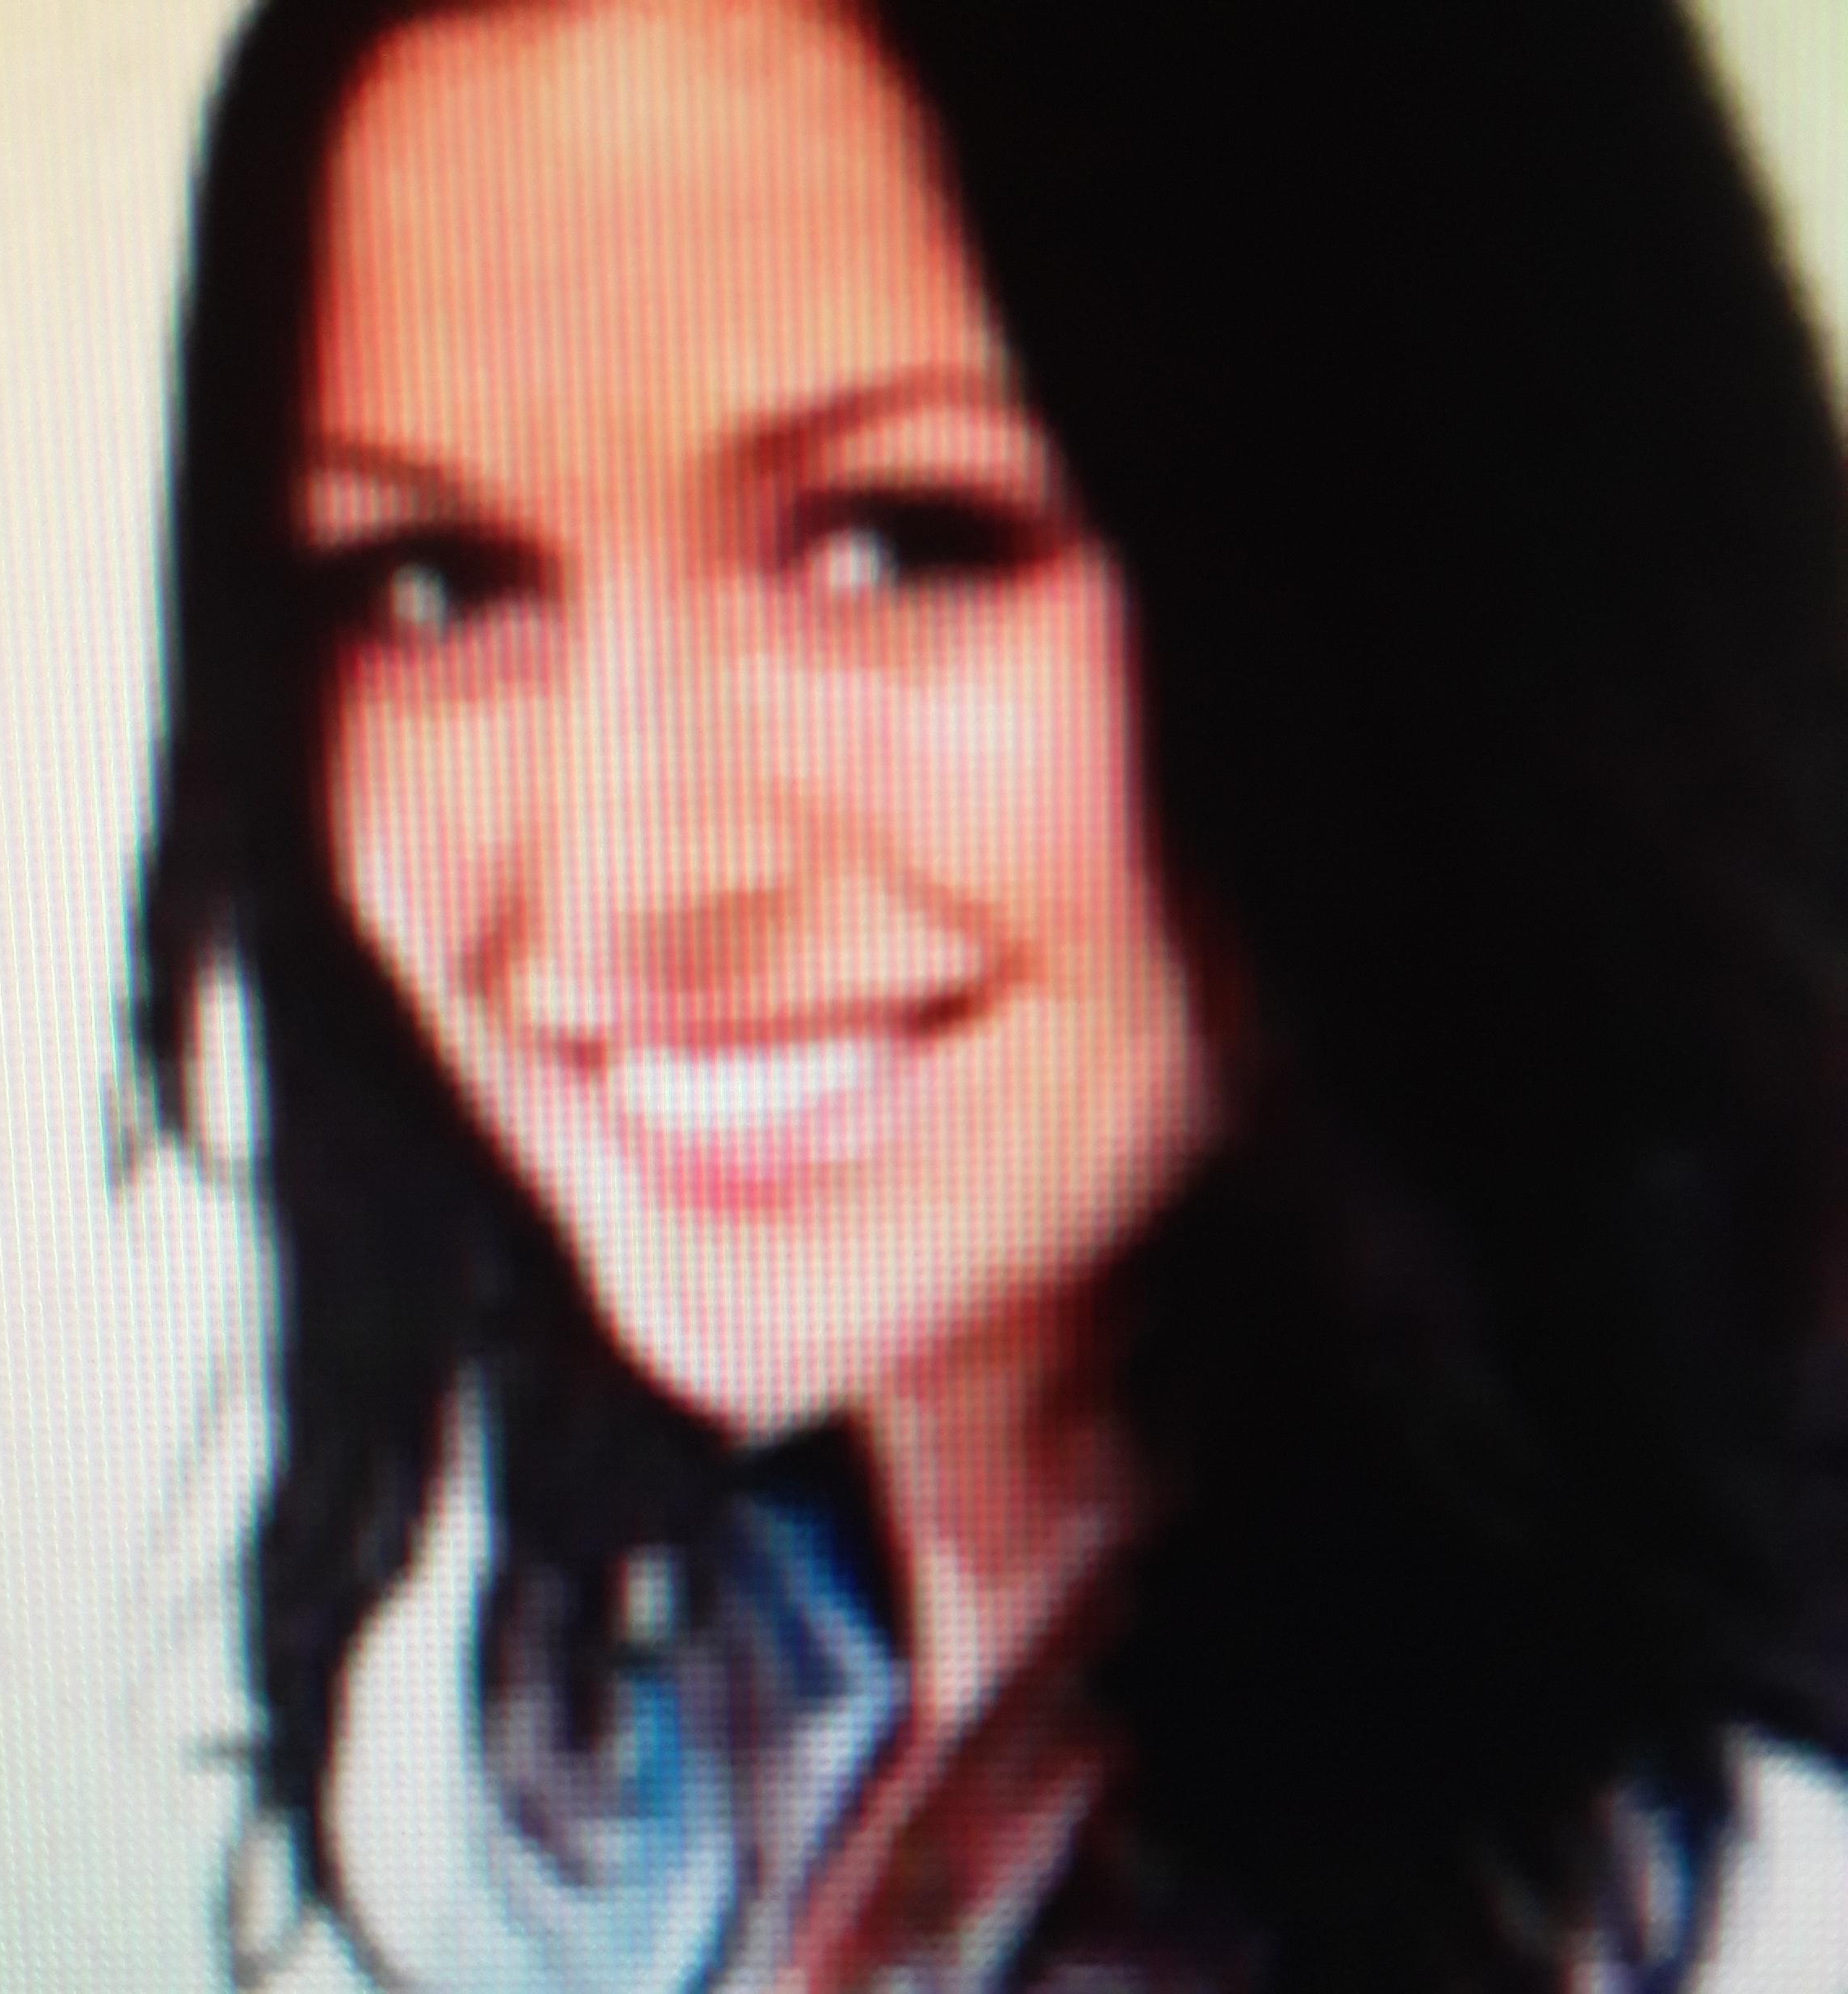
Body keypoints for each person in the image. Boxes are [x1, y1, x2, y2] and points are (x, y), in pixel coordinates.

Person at [132, 0, 1848, 1986]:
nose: (631, 873)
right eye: (432, 583)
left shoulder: (1727, 1883)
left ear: (1463, 570)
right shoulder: (686, 1694)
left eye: (903, 539)